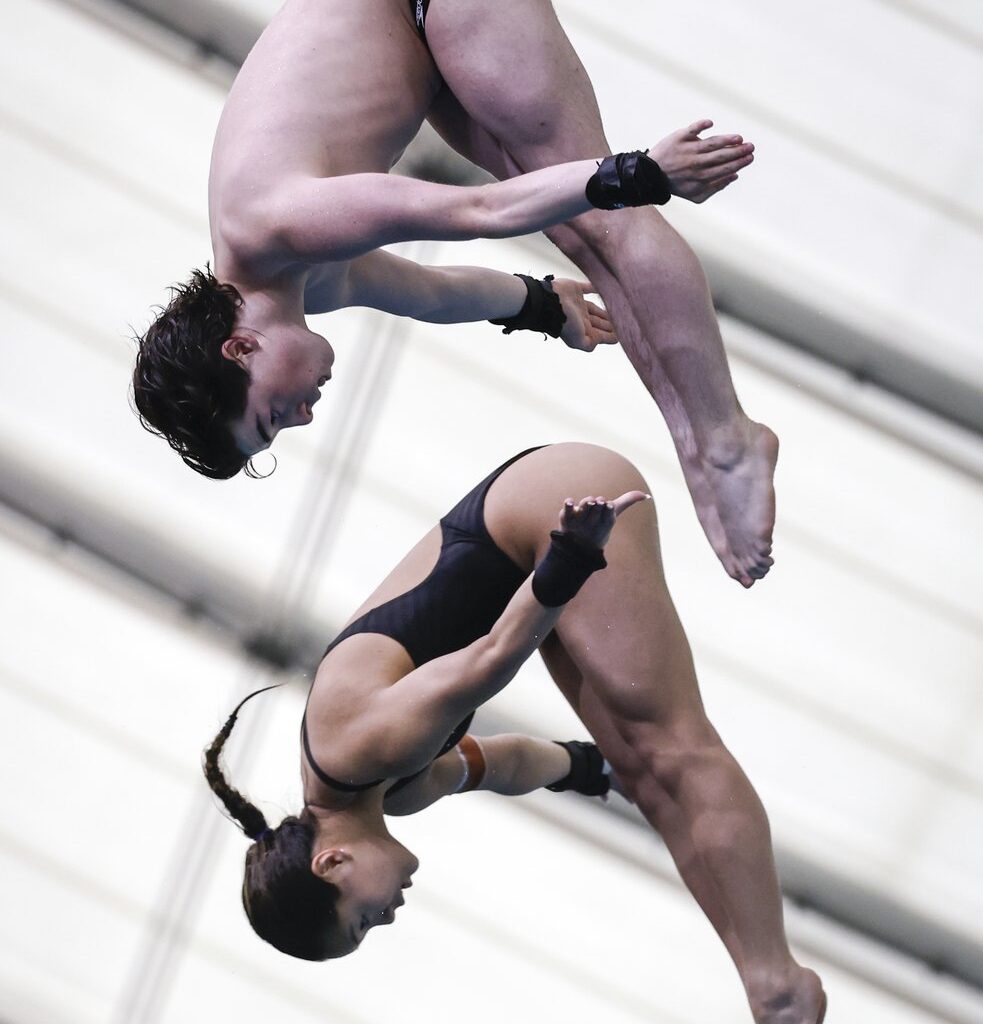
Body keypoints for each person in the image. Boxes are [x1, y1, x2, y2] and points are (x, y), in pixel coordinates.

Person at [133, 0, 775, 588]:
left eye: (273, 417)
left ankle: (724, 439)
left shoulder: (276, 221)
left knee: (610, 217)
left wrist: (640, 171)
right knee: (587, 233)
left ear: (241, 347)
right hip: (422, 36)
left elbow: (479, 212)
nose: (303, 417)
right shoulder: (296, 276)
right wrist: (540, 306)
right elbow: (432, 294)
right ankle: (699, 444)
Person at [204, 443, 825, 1024]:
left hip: (554, 511)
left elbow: (491, 658)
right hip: (530, 570)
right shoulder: (392, 791)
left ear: (332, 862)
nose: (388, 917)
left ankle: (773, 974)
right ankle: (759, 979)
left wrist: (574, 554)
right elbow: (508, 764)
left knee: (673, 749)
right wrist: (594, 770)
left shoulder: (361, 749)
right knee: (643, 773)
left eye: (362, 921)